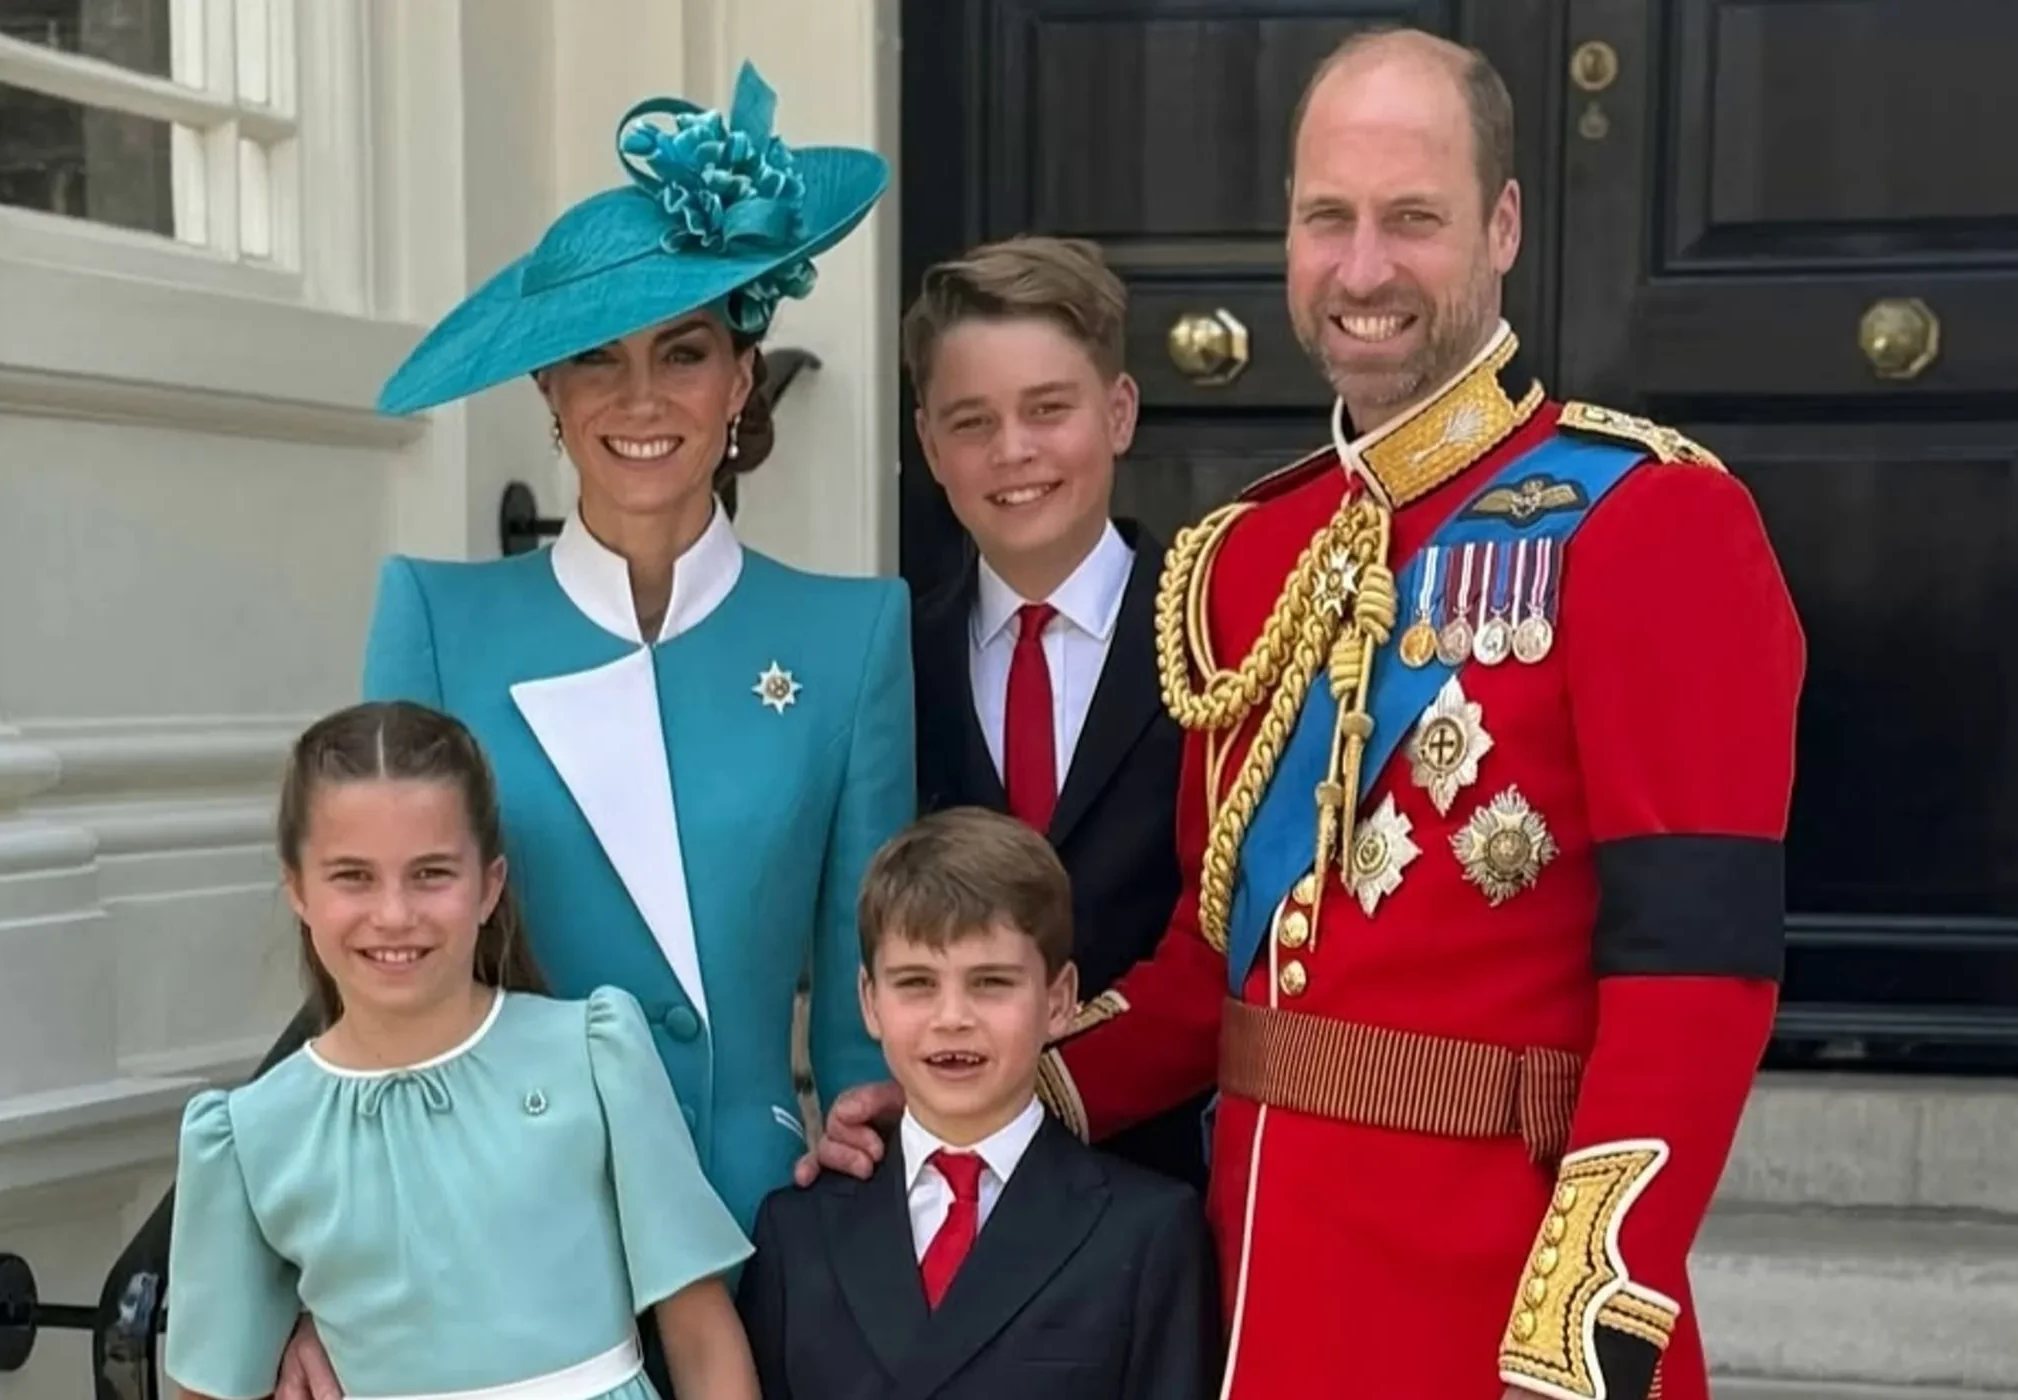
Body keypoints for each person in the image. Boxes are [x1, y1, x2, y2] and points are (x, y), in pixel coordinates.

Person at [809, 27, 1805, 1400]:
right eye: (1328, 218)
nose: (1362, 268)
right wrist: (972, 1091)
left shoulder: (1649, 520)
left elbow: (1695, 970)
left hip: (1493, 1301)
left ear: (1504, 226)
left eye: (1413, 219)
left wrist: (1589, 1312)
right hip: (1256, 1297)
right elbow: (1206, 969)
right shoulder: (1248, 558)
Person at [118, 61, 912, 1400]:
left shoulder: (851, 634)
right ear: (549, 391)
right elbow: (378, 934)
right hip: (484, 1247)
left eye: (683, 351)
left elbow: (862, 967)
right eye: (597, 357)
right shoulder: (438, 616)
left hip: (768, 1217)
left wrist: (857, 1139)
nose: (639, 399)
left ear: (740, 378)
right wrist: (312, 1268)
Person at [163, 701, 759, 1400]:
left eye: (431, 874)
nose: (394, 914)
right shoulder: (251, 1135)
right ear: (297, 889)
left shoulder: (591, 1058)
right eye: (353, 876)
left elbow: (700, 1338)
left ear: (489, 886)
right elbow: (208, 1389)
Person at [900, 235, 1206, 1190]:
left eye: (1047, 409)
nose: (1013, 451)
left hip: (1173, 1177)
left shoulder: (1220, 634)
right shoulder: (894, 661)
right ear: (928, 446)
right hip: (950, 1184)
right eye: (973, 421)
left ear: (1119, 413)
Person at [739, 807, 1217, 1399]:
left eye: (991, 982)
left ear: (1058, 1000)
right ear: (869, 1000)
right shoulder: (797, 1234)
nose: (952, 1018)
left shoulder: (1148, 1233)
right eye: (916, 983)